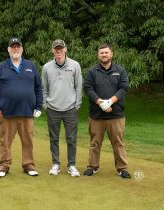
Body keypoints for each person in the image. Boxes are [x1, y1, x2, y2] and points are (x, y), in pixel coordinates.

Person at [0, 37, 43, 178]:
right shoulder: (1, 67)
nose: (15, 49)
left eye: (17, 47)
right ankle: (4, 165)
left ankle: (28, 164)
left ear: (22, 49)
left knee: (28, 141)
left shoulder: (30, 66)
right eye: (12, 47)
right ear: (8, 50)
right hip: (7, 113)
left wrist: (38, 106)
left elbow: (38, 87)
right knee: (5, 141)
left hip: (27, 112)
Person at [83, 43, 131, 179]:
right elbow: (89, 89)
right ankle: (92, 166)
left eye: (106, 52)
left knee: (118, 143)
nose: (104, 55)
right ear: (98, 55)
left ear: (111, 54)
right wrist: (101, 103)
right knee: (95, 143)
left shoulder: (120, 71)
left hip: (116, 115)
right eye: (101, 53)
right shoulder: (92, 72)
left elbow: (123, 88)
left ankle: (122, 168)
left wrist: (110, 101)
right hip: (96, 115)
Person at [41, 39, 82, 177]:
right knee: (54, 138)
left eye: (61, 48)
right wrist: (45, 105)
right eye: (56, 49)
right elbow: (44, 89)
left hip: (70, 108)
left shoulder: (75, 65)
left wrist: (77, 105)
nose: (58, 51)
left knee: (71, 138)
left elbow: (79, 87)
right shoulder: (47, 67)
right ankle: (56, 164)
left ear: (65, 49)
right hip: (53, 108)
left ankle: (71, 165)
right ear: (53, 50)